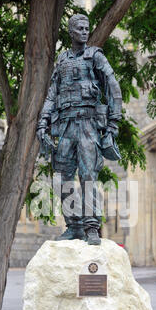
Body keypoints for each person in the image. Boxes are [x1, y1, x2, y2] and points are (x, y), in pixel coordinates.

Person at [37, 14, 122, 245]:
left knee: (88, 177)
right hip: (64, 127)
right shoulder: (62, 61)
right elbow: (52, 94)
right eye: (80, 29)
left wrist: (113, 125)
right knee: (62, 177)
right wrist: (43, 122)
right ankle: (73, 226)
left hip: (87, 125)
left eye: (87, 29)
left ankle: (91, 226)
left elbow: (113, 86)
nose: (85, 32)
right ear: (71, 32)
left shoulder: (95, 57)